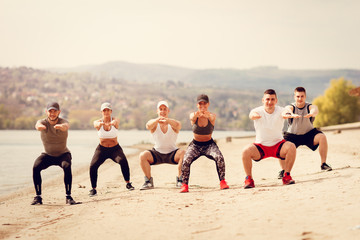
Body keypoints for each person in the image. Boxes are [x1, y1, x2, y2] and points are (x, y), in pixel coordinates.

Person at [241, 89, 296, 189]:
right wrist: (254, 116)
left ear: (276, 100)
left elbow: (286, 113)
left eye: (272, 99)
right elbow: (251, 115)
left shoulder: (281, 110)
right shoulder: (256, 111)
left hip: (278, 145)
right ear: (263, 100)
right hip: (260, 147)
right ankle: (249, 179)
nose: (270, 102)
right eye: (267, 99)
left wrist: (288, 115)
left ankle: (286, 176)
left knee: (291, 147)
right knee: (245, 151)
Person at [278, 87, 331, 179]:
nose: (300, 98)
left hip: (308, 134)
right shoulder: (291, 107)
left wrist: (311, 113)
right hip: (292, 135)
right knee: (280, 145)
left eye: (302, 96)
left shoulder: (309, 106)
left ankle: (323, 164)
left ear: (305, 96)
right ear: (294, 97)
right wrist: (291, 114)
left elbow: (315, 110)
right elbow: (287, 110)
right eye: (298, 96)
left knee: (322, 137)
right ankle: (283, 170)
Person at [180, 94, 229, 193]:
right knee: (186, 160)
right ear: (197, 105)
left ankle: (222, 181)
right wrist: (197, 115)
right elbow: (192, 117)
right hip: (195, 145)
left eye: (204, 104)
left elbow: (212, 118)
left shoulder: (212, 116)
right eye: (200, 104)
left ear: (208, 104)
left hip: (209, 145)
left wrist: (207, 115)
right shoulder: (193, 115)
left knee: (219, 157)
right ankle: (184, 184)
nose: (202, 106)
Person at [31, 102, 78, 205]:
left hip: (63, 154)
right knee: (36, 167)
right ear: (46, 112)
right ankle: (38, 197)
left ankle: (68, 197)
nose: (52, 113)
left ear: (59, 112)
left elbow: (66, 126)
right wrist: (39, 127)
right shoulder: (42, 122)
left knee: (67, 166)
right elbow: (37, 125)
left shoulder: (63, 121)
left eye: (55, 111)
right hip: (48, 155)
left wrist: (61, 127)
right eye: (50, 111)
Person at [89, 102, 134, 196]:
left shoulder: (115, 120)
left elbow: (116, 122)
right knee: (93, 166)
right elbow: (96, 124)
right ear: (101, 112)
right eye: (104, 110)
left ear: (111, 111)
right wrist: (101, 123)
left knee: (123, 161)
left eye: (108, 110)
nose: (106, 112)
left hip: (115, 149)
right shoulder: (97, 122)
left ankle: (128, 183)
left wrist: (110, 123)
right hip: (102, 149)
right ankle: (93, 189)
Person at [139, 100, 185, 190]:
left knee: (183, 153)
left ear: (168, 111)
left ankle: (180, 180)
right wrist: (157, 120)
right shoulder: (154, 123)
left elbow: (178, 125)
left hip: (172, 154)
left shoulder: (172, 123)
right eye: (160, 109)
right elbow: (148, 126)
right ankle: (148, 182)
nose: (163, 111)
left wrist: (167, 121)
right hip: (157, 154)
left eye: (165, 109)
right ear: (157, 111)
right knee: (143, 155)